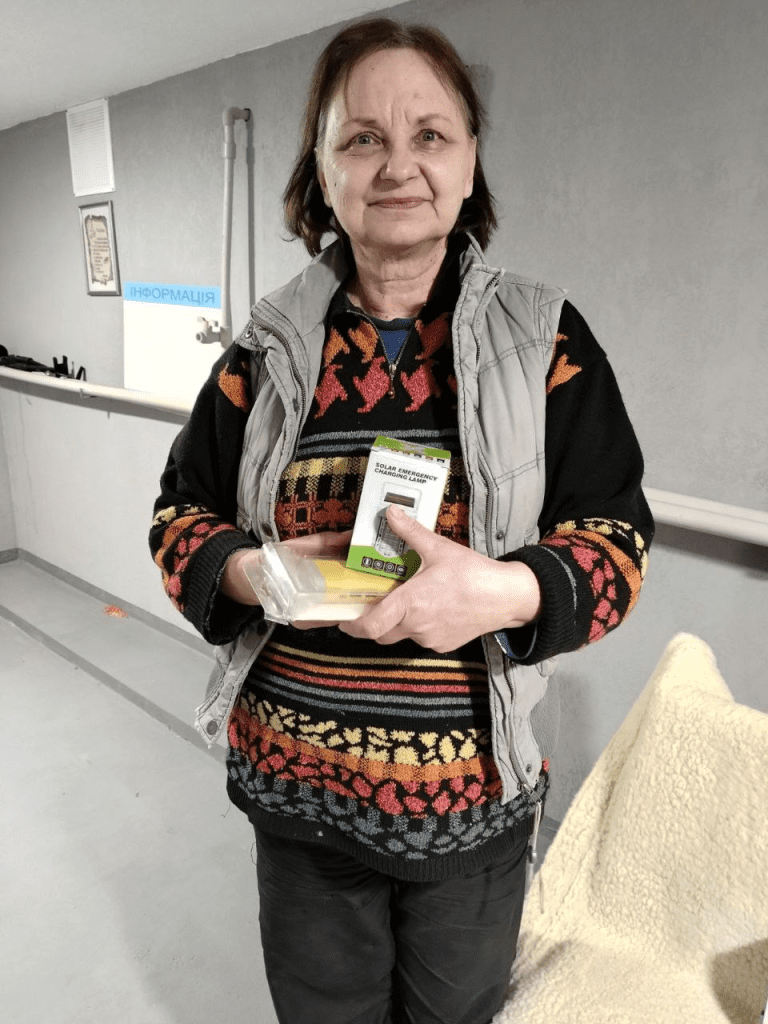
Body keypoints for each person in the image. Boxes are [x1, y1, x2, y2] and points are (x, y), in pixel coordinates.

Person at [150, 17, 654, 1024]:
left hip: (471, 818)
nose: (397, 165)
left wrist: (502, 591)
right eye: (363, 138)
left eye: (430, 135)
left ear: (469, 165)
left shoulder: (544, 338)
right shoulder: (265, 348)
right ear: (323, 171)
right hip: (296, 800)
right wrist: (253, 572)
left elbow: (617, 543)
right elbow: (178, 516)